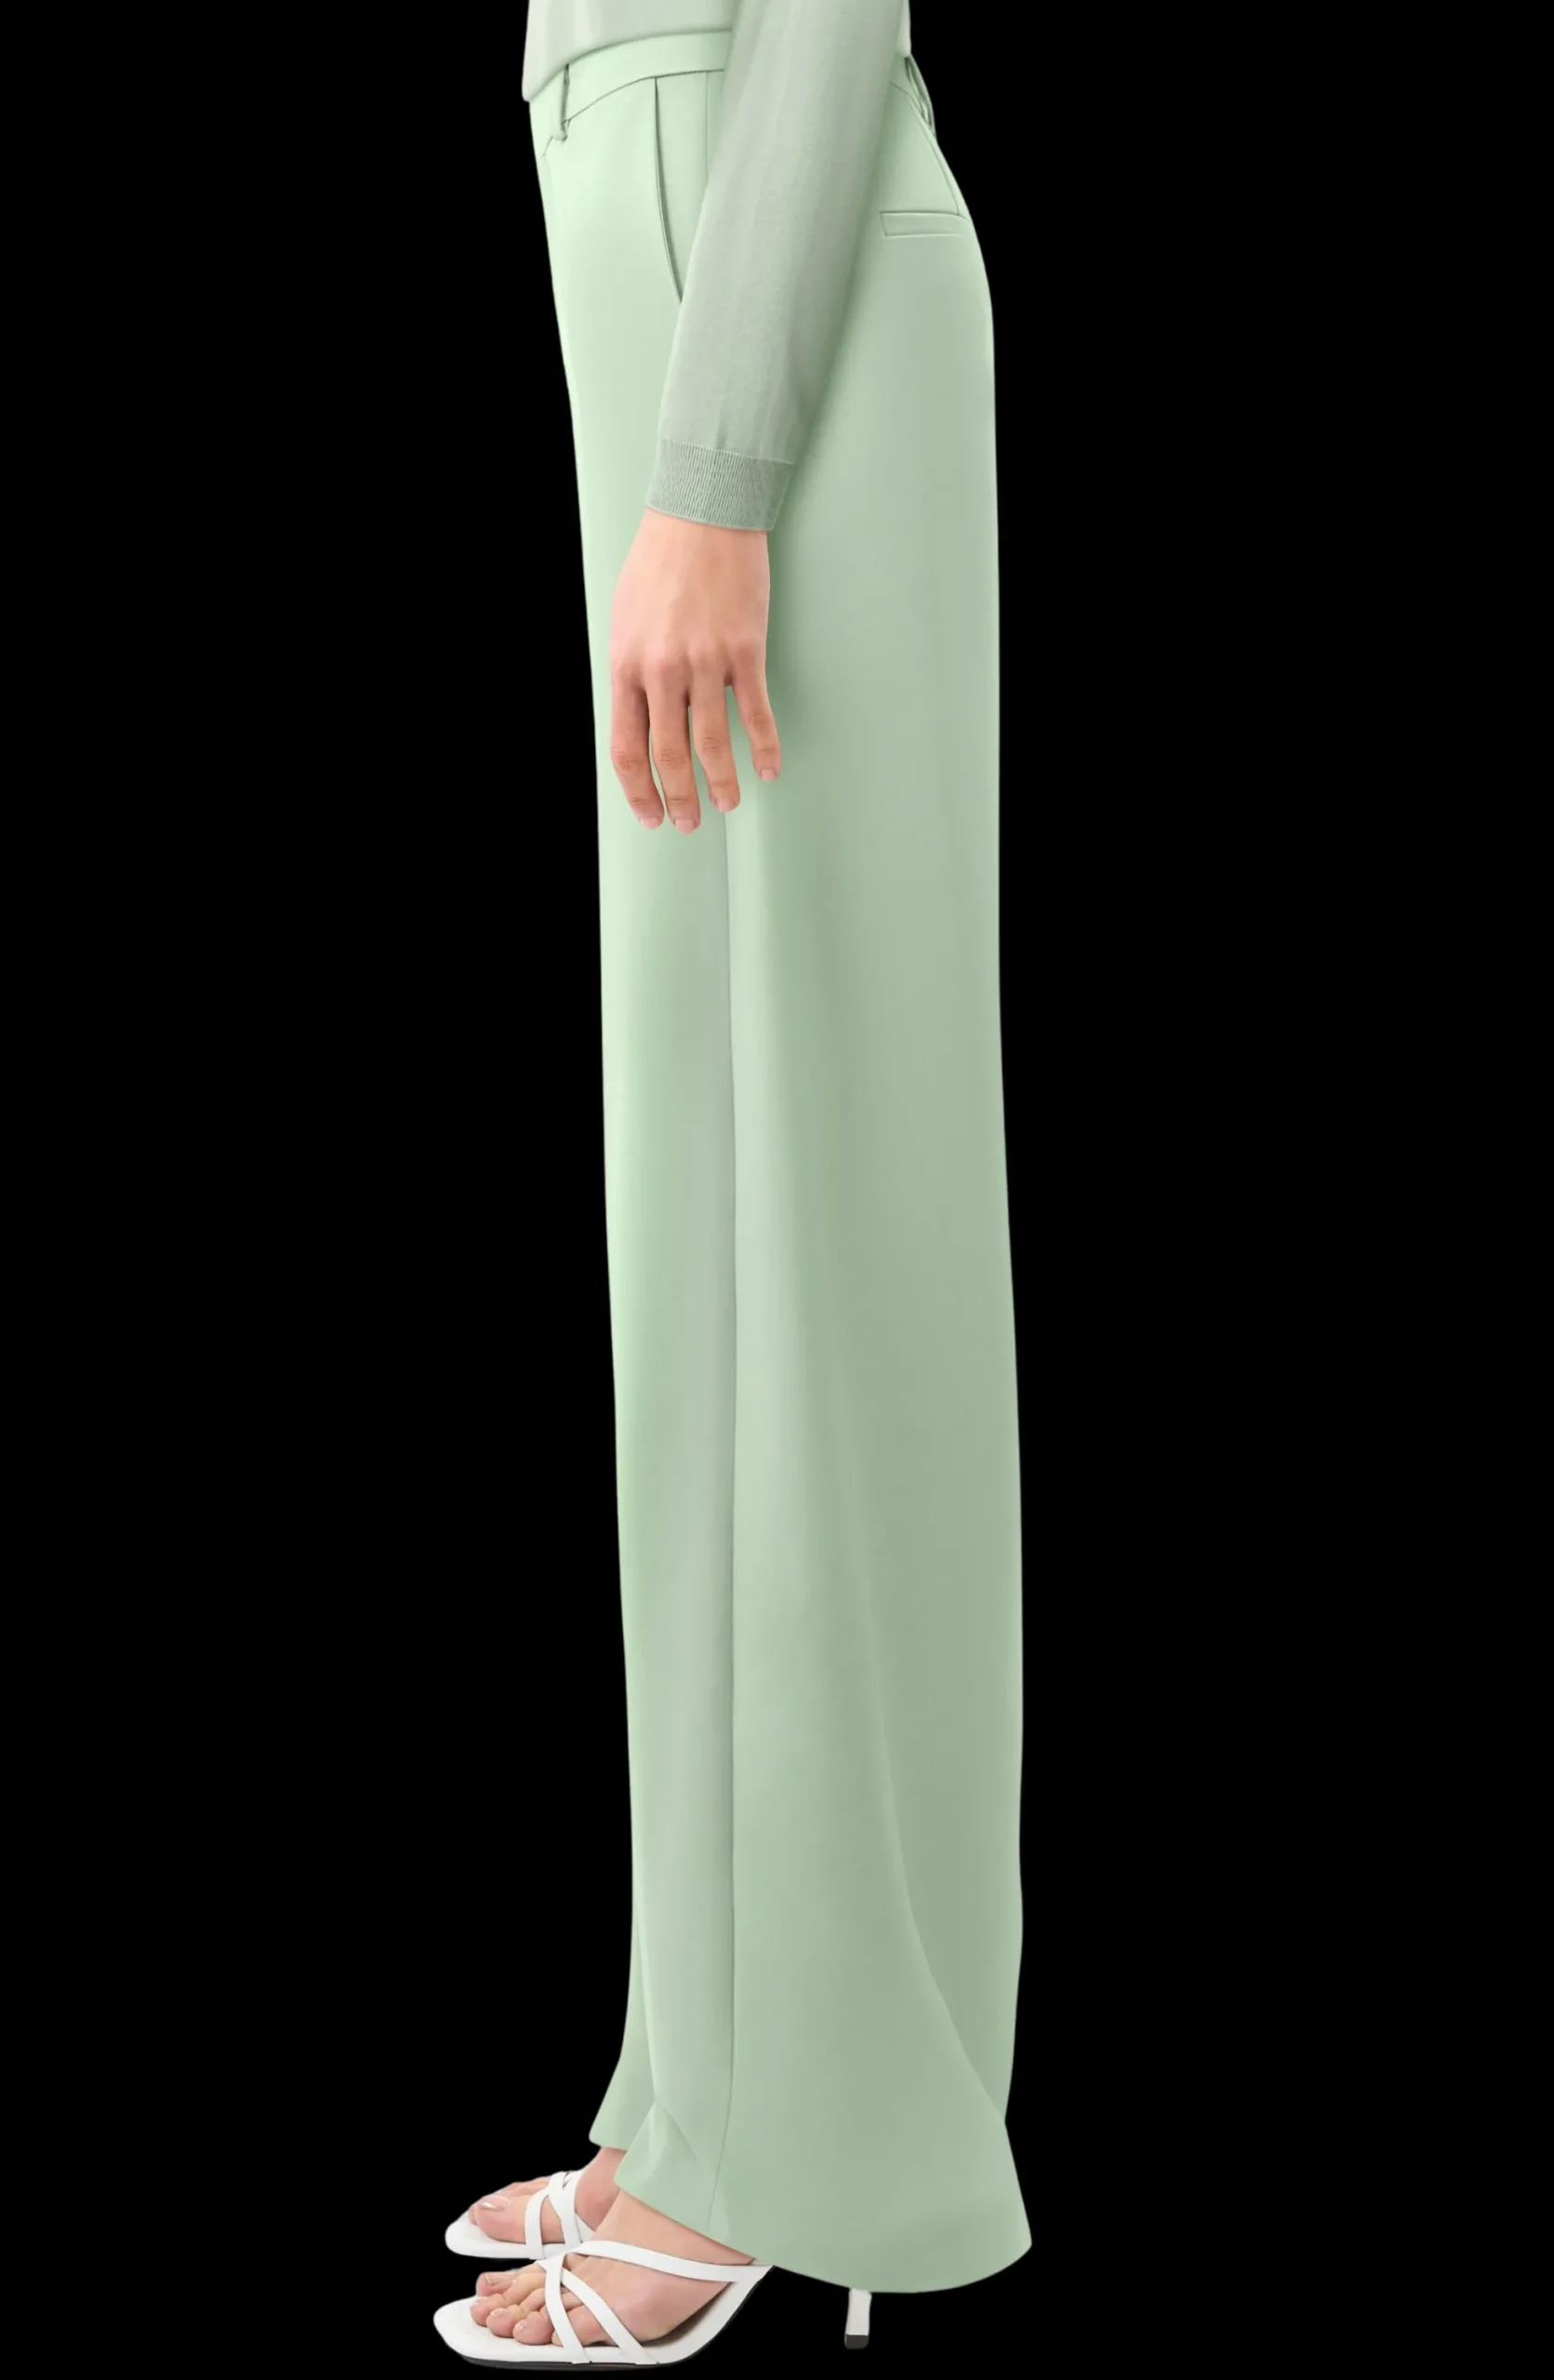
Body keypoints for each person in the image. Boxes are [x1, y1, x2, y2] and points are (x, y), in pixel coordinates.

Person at [433, 2, 1028, 2360]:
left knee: (824, 1235)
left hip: (769, 282)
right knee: (702, 1240)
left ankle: (827, 2131)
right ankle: (701, 2075)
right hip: (656, 242)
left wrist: (716, 462)